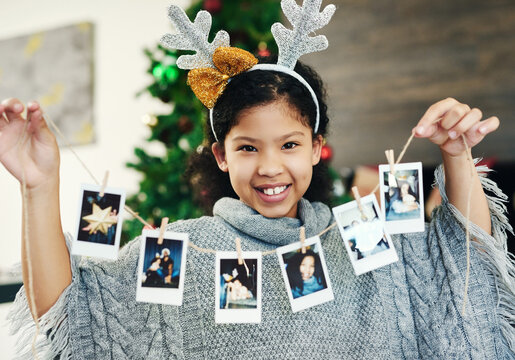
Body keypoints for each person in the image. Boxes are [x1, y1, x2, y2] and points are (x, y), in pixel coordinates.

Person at [1, 12, 514, 360]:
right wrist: (38, 186)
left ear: (317, 148)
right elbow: (72, 319)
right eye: (248, 148)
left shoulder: (368, 243)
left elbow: (465, 268)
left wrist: (455, 154)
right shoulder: (180, 250)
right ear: (222, 156)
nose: (271, 166)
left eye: (289, 145)